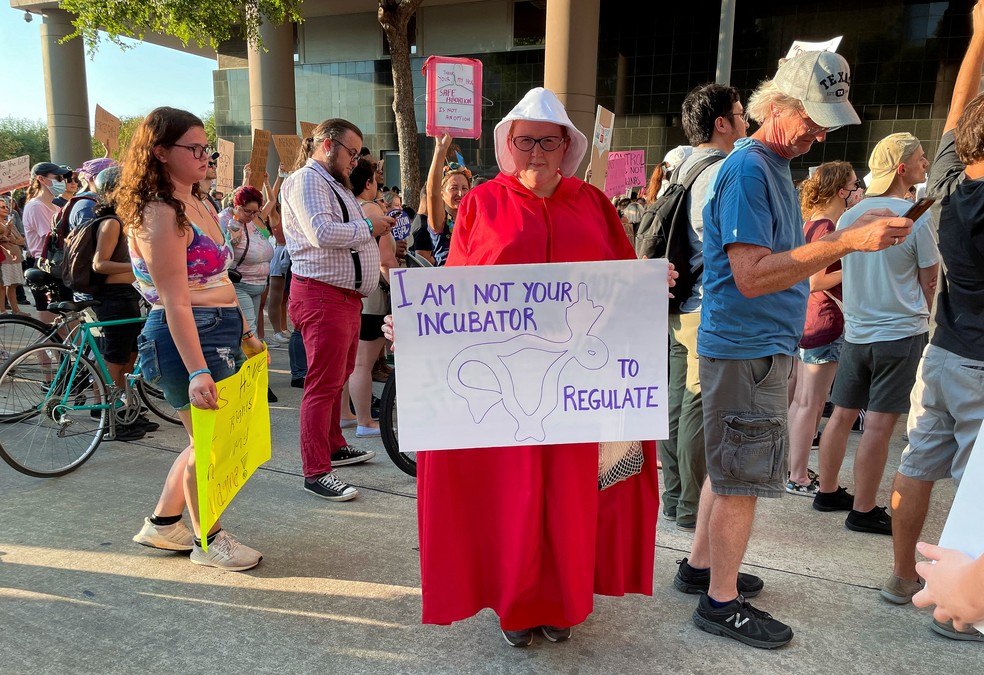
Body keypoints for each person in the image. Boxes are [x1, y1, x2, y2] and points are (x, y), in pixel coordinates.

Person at [407, 87, 662, 648]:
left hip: (575, 387)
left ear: (567, 145)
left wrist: (649, 284)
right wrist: (412, 326)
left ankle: (565, 600)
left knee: (571, 497)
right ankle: (517, 605)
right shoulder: (480, 204)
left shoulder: (592, 202)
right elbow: (456, 292)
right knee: (515, 497)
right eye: (526, 142)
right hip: (510, 388)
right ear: (508, 145)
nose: (537, 153)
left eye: (549, 141)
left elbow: (621, 278)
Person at [682, 50, 914, 649]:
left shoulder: (768, 168)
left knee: (730, 466)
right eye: (813, 118)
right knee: (741, 478)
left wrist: (842, 241)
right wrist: (850, 242)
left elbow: (763, 271)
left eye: (827, 121)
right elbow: (753, 275)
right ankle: (720, 599)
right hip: (747, 347)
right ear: (776, 107)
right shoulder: (751, 171)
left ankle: (703, 568)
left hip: (753, 345)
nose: (820, 132)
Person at [120, 106, 265, 571]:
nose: (205, 156)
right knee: (211, 443)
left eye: (207, 148)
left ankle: (164, 524)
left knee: (204, 439)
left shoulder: (197, 201)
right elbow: (175, 300)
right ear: (160, 153)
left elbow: (221, 274)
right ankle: (209, 540)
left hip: (219, 329)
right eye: (194, 148)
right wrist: (199, 369)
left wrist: (244, 329)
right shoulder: (159, 213)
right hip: (186, 336)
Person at [881, 1, 984, 642]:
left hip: (941, 352)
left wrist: (979, 38)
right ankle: (961, 611)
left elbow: (953, 112)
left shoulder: (950, 184)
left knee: (917, 463)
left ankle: (901, 577)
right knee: (978, 489)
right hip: (980, 365)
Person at [813, 132, 939, 535]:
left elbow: (832, 271)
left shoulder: (850, 217)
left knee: (842, 413)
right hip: (899, 332)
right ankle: (864, 509)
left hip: (857, 330)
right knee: (880, 424)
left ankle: (828, 490)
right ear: (901, 168)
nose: (925, 163)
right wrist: (925, 314)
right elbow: (930, 279)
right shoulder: (913, 218)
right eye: (921, 158)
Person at [280, 118, 393, 501]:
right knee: (323, 383)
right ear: (328, 146)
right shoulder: (307, 180)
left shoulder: (333, 184)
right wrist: (369, 223)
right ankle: (316, 471)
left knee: (336, 376)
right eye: (352, 152)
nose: (355, 160)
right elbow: (322, 233)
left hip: (341, 297)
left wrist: (370, 222)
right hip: (322, 295)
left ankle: (332, 446)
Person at [660, 83, 747, 534]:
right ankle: (692, 504)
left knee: (676, 402)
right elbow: (720, 247)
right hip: (702, 305)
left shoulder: (681, 168)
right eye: (739, 113)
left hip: (676, 304)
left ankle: (674, 497)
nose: (745, 121)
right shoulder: (720, 173)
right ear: (721, 123)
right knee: (696, 402)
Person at [785, 161, 864, 495]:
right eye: (853, 184)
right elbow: (816, 279)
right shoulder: (826, 226)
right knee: (810, 404)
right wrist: (857, 263)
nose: (857, 188)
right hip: (824, 320)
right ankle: (797, 474)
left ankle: (793, 468)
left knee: (804, 401)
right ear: (840, 190)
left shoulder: (811, 222)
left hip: (810, 320)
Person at [348, 157, 398, 437]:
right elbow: (386, 260)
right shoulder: (373, 212)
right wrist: (403, 293)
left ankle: (348, 414)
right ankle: (365, 420)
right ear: (369, 183)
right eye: (376, 177)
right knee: (363, 363)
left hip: (354, 291)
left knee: (353, 361)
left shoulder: (347, 208)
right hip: (374, 293)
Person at [219, 185, 276, 336]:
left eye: (255, 212)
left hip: (257, 284)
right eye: (247, 211)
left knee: (249, 328)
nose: (251, 216)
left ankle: (248, 358)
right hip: (239, 284)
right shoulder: (224, 221)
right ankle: (253, 359)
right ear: (236, 206)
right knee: (249, 332)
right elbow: (218, 255)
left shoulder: (252, 220)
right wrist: (231, 243)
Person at [23, 162, 74, 319]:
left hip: (57, 265)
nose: (62, 181)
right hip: (46, 266)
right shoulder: (36, 206)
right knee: (52, 323)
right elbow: (53, 238)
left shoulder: (54, 206)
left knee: (68, 320)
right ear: (41, 179)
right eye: (57, 177)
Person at [425, 134, 471, 266]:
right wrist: (440, 149)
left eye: (464, 188)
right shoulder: (440, 221)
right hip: (448, 283)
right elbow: (432, 192)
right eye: (454, 188)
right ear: (442, 194)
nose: (460, 193)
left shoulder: (474, 218)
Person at [0, 198, 27, 314]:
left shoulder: (10, 222)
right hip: (5, 259)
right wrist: (7, 232)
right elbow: (3, 239)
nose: (6, 209)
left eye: (6, 206)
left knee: (13, 284)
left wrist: (11, 239)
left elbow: (22, 241)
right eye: (2, 207)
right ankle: (2, 311)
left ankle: (15, 309)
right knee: (2, 285)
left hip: (15, 257)